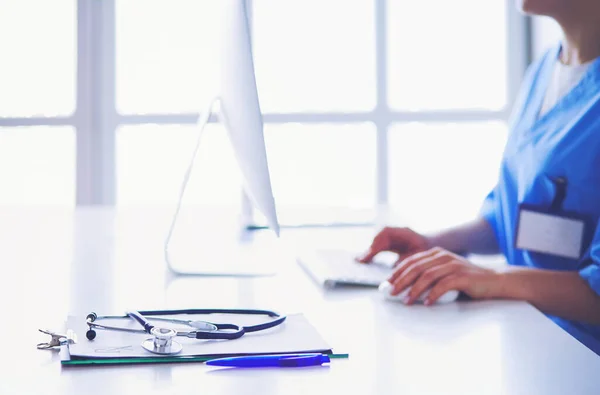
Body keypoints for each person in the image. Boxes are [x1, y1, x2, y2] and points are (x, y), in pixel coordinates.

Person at [358, 0, 600, 355]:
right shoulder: (544, 70)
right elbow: (513, 218)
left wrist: (494, 280)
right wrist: (434, 245)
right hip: (535, 339)